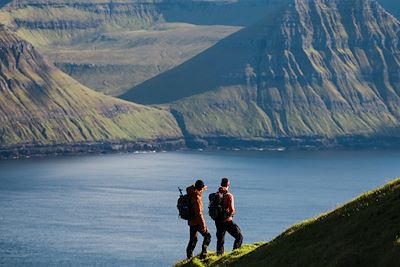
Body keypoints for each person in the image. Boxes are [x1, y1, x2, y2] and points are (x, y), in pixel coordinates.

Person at [215, 177, 243, 255]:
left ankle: (219, 256)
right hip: (227, 221)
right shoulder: (229, 195)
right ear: (228, 184)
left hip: (218, 221)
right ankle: (234, 254)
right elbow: (231, 210)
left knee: (220, 240)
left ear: (221, 184)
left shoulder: (216, 195)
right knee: (239, 237)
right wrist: (233, 213)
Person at [186, 180, 211, 259]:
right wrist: (203, 226)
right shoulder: (197, 198)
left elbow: (199, 190)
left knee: (193, 240)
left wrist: (204, 188)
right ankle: (203, 255)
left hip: (191, 221)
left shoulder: (191, 193)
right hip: (197, 222)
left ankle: (189, 257)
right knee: (207, 236)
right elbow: (199, 214)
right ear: (200, 189)